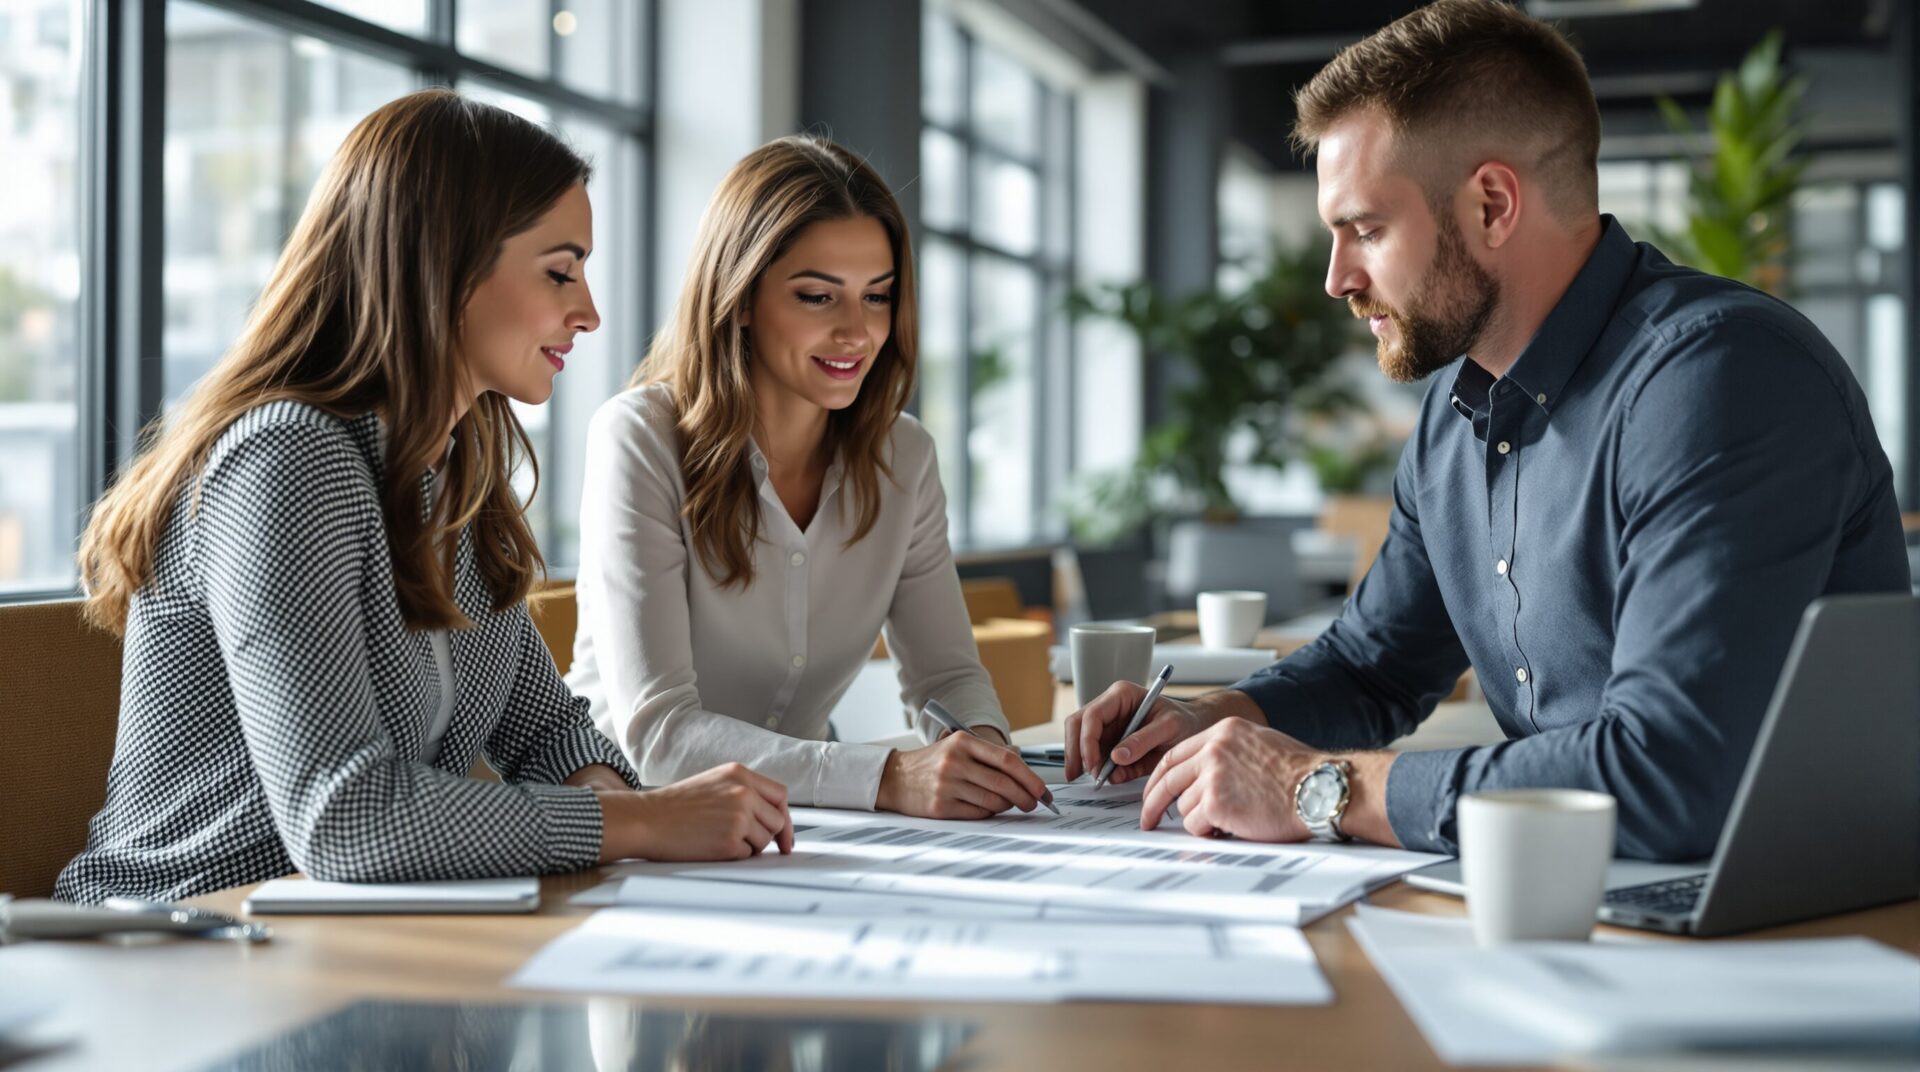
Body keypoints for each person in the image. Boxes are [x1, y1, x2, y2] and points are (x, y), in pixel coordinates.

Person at [1065, 0, 1908, 861]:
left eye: (1366, 229)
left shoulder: (1719, 378)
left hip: (1782, 931)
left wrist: (1313, 787)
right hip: (1577, 893)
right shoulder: (1455, 417)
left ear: (1493, 205)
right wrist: (1213, 720)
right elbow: (1374, 666)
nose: (1336, 278)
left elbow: (1674, 771)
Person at [56, 90, 791, 905]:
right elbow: (345, 817)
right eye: (560, 271)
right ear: (443, 267)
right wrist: (645, 824)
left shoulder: (456, 474)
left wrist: (629, 807)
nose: (587, 312)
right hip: (182, 951)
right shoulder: (285, 460)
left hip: (346, 942)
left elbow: (544, 730)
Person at [566, 135, 1052, 819]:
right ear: (737, 299)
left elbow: (945, 677)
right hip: (635, 820)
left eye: (877, 296)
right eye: (818, 297)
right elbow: (660, 735)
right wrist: (886, 778)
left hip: (800, 828)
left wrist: (984, 757)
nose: (857, 332)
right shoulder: (640, 436)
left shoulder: (903, 457)